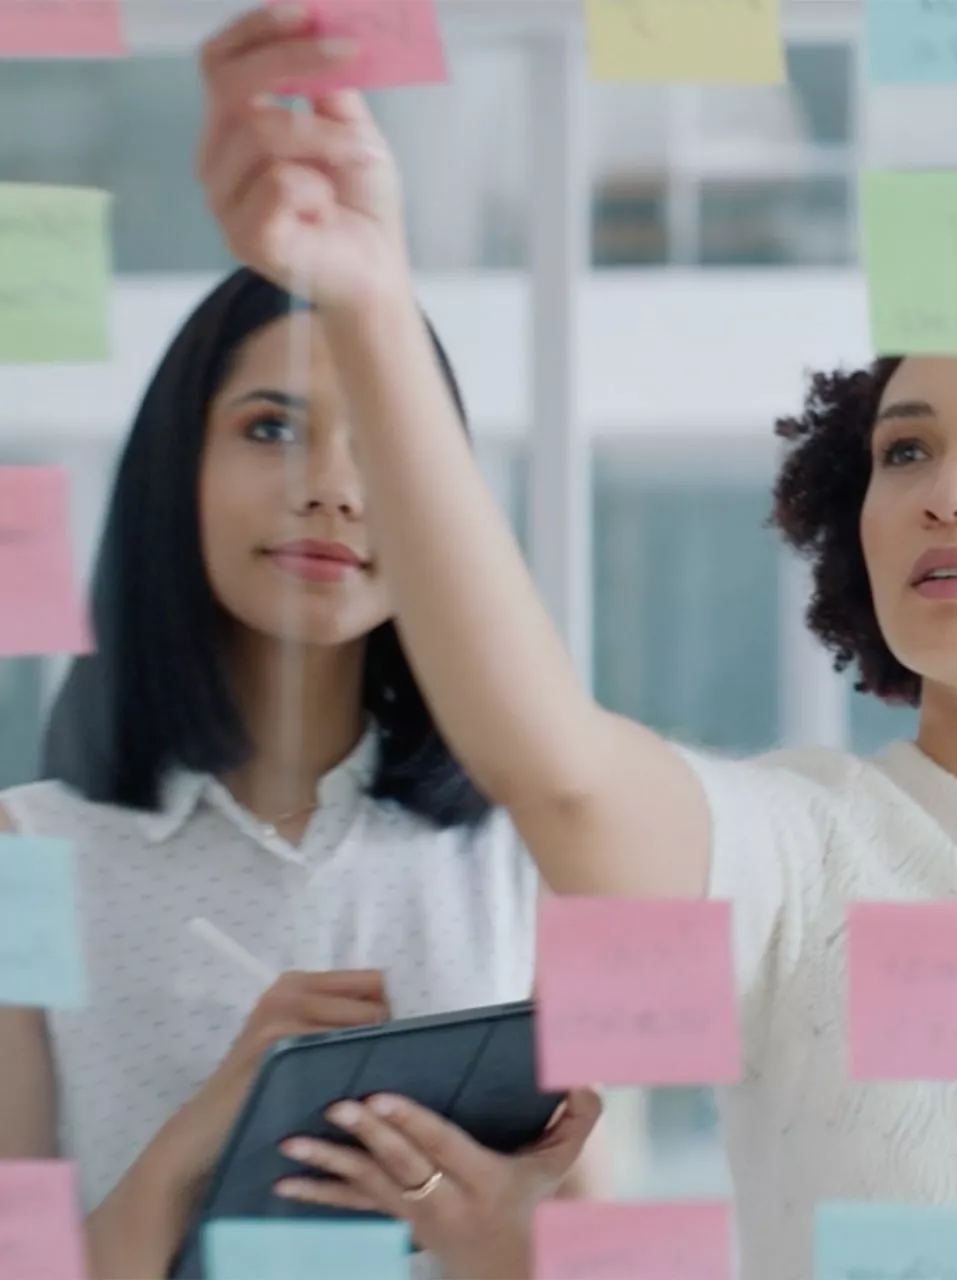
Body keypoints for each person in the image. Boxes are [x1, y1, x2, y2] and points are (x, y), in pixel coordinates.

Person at [189, 8, 957, 1278]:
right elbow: (551, 761)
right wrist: (371, 304)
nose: (950, 489)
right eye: (905, 449)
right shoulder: (801, 852)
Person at [0, 266, 601, 1280]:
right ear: (175, 466)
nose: (330, 484)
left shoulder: (525, 846)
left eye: (380, 441)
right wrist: (212, 1127)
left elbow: (586, 1245)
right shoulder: (33, 853)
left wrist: (494, 1232)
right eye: (271, 427)